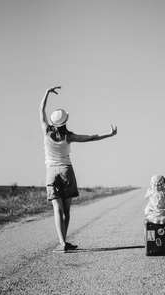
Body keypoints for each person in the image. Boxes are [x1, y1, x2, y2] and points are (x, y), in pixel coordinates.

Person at [40, 86, 118, 252]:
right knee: (66, 211)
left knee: (56, 209)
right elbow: (90, 138)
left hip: (51, 173)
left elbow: (41, 109)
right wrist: (109, 134)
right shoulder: (69, 136)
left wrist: (47, 92)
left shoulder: (46, 131)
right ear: (65, 122)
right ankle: (64, 243)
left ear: (53, 122)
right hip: (66, 171)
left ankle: (61, 243)